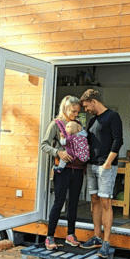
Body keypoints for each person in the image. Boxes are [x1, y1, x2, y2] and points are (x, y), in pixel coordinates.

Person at [79, 89, 123, 258]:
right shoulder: (92, 121)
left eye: (86, 106)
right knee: (95, 200)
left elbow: (118, 140)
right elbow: (87, 143)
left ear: (94, 101)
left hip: (106, 166)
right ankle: (96, 237)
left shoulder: (113, 116)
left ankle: (106, 241)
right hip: (91, 166)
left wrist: (108, 162)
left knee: (106, 202)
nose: (85, 109)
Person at [40, 96, 86, 250]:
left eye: (78, 111)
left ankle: (71, 235)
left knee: (74, 203)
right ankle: (49, 237)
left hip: (78, 170)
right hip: (62, 170)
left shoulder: (79, 124)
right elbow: (44, 145)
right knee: (59, 202)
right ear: (66, 108)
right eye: (73, 111)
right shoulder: (56, 124)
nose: (76, 114)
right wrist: (58, 152)